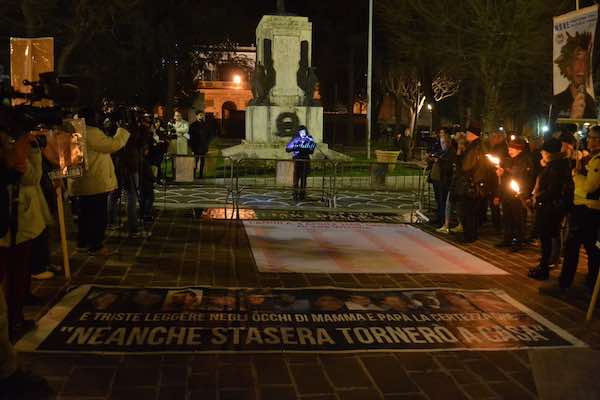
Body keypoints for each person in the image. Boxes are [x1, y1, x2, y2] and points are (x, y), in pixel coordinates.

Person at [0, 133, 52, 340]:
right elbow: (30, 177)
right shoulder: (13, 147)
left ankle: (15, 315)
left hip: (14, 216)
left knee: (17, 270)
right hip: (13, 217)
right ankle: (14, 321)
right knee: (16, 271)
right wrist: (32, 150)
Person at [540, 127, 600, 290]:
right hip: (583, 207)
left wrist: (576, 175)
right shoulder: (591, 159)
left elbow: (590, 186)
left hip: (587, 209)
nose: (590, 141)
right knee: (588, 246)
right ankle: (591, 281)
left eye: (594, 138)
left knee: (574, 246)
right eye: (589, 138)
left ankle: (566, 284)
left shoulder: (597, 160)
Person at [71, 109, 130, 256]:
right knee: (97, 215)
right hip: (94, 181)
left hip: (84, 180)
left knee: (85, 214)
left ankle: (83, 242)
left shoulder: (76, 130)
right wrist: (122, 130)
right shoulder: (90, 132)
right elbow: (112, 145)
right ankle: (95, 245)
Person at [528, 138, 573, 281]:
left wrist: (537, 196)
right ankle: (543, 265)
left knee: (546, 237)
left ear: (549, 153)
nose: (541, 153)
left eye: (543, 151)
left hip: (550, 208)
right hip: (550, 207)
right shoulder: (556, 164)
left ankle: (544, 268)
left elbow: (553, 190)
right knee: (546, 237)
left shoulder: (556, 167)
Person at [493, 137, 533, 251]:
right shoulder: (507, 159)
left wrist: (505, 171)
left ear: (519, 149)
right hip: (506, 193)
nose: (509, 150)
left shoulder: (525, 160)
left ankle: (519, 241)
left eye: (513, 148)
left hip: (518, 194)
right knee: (507, 217)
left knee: (518, 218)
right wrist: (498, 193)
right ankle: (507, 239)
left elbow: (519, 173)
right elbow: (504, 177)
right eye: (509, 147)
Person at [454, 126, 489, 243]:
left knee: (468, 212)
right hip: (474, 183)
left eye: (468, 132)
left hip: (471, 184)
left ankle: (469, 235)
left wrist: (459, 156)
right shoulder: (478, 146)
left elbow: (466, 167)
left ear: (473, 134)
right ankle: (470, 235)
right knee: (470, 212)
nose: (466, 134)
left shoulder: (475, 147)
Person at [552, 31, 597, 120]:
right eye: (577, 59)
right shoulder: (557, 102)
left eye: (586, 59)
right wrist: (573, 119)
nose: (583, 65)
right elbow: (551, 133)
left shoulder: (593, 104)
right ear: (568, 68)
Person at [428, 132, 456, 227]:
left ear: (448, 142)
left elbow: (448, 165)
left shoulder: (451, 151)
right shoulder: (443, 151)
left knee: (443, 200)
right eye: (441, 142)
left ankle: (443, 220)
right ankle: (439, 218)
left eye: (444, 142)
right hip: (438, 178)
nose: (442, 144)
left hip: (444, 179)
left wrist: (438, 160)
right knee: (438, 200)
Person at [286, 125, 316, 201]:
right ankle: (295, 194)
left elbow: (311, 150)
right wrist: (296, 147)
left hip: (305, 161)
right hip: (297, 161)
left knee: (303, 178)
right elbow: (287, 148)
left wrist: (306, 148)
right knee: (296, 178)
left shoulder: (309, 138)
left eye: (304, 132)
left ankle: (302, 194)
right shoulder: (295, 139)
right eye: (300, 132)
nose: (302, 133)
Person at [188, 111, 216, 178]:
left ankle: (201, 175)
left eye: (202, 115)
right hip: (196, 146)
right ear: (197, 116)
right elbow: (190, 137)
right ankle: (194, 174)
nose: (202, 116)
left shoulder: (206, 125)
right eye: (200, 115)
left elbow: (211, 135)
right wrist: (191, 146)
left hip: (203, 145)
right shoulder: (193, 125)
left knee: (202, 160)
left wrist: (207, 142)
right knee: (195, 160)